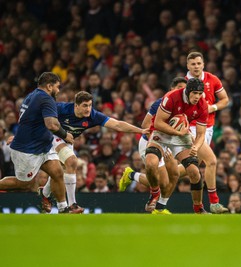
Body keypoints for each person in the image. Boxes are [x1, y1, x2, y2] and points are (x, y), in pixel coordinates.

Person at [38, 91, 147, 213]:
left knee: (60, 171)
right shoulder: (61, 108)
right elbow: (39, 115)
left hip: (67, 142)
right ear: (76, 106)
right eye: (85, 105)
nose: (88, 108)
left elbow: (117, 125)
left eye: (90, 105)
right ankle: (72, 204)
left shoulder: (93, 116)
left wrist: (140, 131)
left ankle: (45, 194)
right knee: (72, 161)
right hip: (49, 137)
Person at [0, 72, 74, 213]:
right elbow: (51, 124)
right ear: (49, 86)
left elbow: (27, 121)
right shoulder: (46, 99)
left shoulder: (31, 96)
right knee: (24, 184)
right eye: (57, 87)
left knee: (57, 173)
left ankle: (63, 208)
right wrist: (65, 135)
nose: (58, 91)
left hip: (43, 146)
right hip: (27, 150)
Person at [119, 77, 188, 214]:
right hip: (151, 142)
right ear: (171, 89)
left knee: (190, 166)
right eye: (179, 88)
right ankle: (158, 207)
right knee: (164, 183)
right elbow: (145, 125)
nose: (181, 91)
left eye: (184, 89)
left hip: (167, 143)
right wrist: (170, 132)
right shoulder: (160, 103)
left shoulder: (186, 106)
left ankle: (132, 175)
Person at [144, 78, 208, 214]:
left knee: (195, 173)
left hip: (182, 135)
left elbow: (201, 133)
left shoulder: (202, 105)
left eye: (200, 93)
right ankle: (155, 192)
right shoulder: (171, 97)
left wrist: (196, 146)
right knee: (150, 164)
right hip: (162, 133)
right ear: (188, 91)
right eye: (195, 93)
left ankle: (198, 208)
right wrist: (177, 132)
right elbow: (158, 123)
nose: (197, 97)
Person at [185, 51, 230, 213]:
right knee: (211, 161)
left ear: (203, 64)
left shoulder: (212, 79)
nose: (196, 66)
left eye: (198, 63)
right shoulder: (184, 83)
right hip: (189, 128)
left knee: (189, 166)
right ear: (187, 66)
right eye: (193, 64)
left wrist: (213, 107)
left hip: (207, 127)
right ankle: (214, 202)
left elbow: (225, 99)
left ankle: (146, 178)